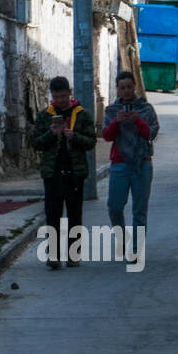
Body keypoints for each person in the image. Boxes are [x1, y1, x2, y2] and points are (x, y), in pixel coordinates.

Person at [31, 76, 97, 269]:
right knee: (52, 214)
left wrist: (73, 135)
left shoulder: (82, 114)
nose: (60, 100)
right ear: (52, 95)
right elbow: (36, 143)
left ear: (70, 92)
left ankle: (73, 255)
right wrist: (51, 133)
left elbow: (91, 141)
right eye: (56, 96)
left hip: (75, 171)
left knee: (75, 213)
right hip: (52, 171)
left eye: (63, 96)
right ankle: (53, 255)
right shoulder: (45, 116)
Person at [102, 70, 159, 262]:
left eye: (129, 87)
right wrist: (117, 122)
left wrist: (137, 121)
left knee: (140, 210)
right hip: (119, 164)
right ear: (117, 89)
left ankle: (135, 250)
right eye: (121, 88)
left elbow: (151, 133)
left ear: (134, 86)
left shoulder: (146, 109)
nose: (126, 91)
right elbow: (107, 136)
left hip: (142, 163)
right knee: (114, 207)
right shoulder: (111, 110)